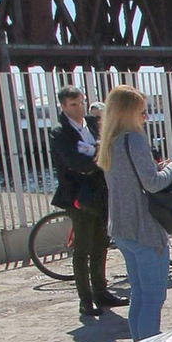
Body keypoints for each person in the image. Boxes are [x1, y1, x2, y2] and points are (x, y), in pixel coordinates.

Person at [98, 84, 172, 342]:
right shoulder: (133, 139)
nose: (145, 118)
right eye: (143, 113)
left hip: (122, 227)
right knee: (154, 298)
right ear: (128, 114)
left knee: (139, 294)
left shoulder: (110, 141)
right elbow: (152, 183)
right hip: (144, 228)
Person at [49, 85, 116, 322]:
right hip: (78, 196)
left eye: (80, 103)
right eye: (73, 105)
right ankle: (85, 299)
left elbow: (107, 146)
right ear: (64, 107)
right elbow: (75, 162)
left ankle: (101, 291)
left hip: (99, 192)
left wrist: (97, 154)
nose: (78, 109)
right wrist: (100, 157)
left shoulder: (93, 123)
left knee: (101, 244)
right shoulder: (60, 133)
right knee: (83, 248)